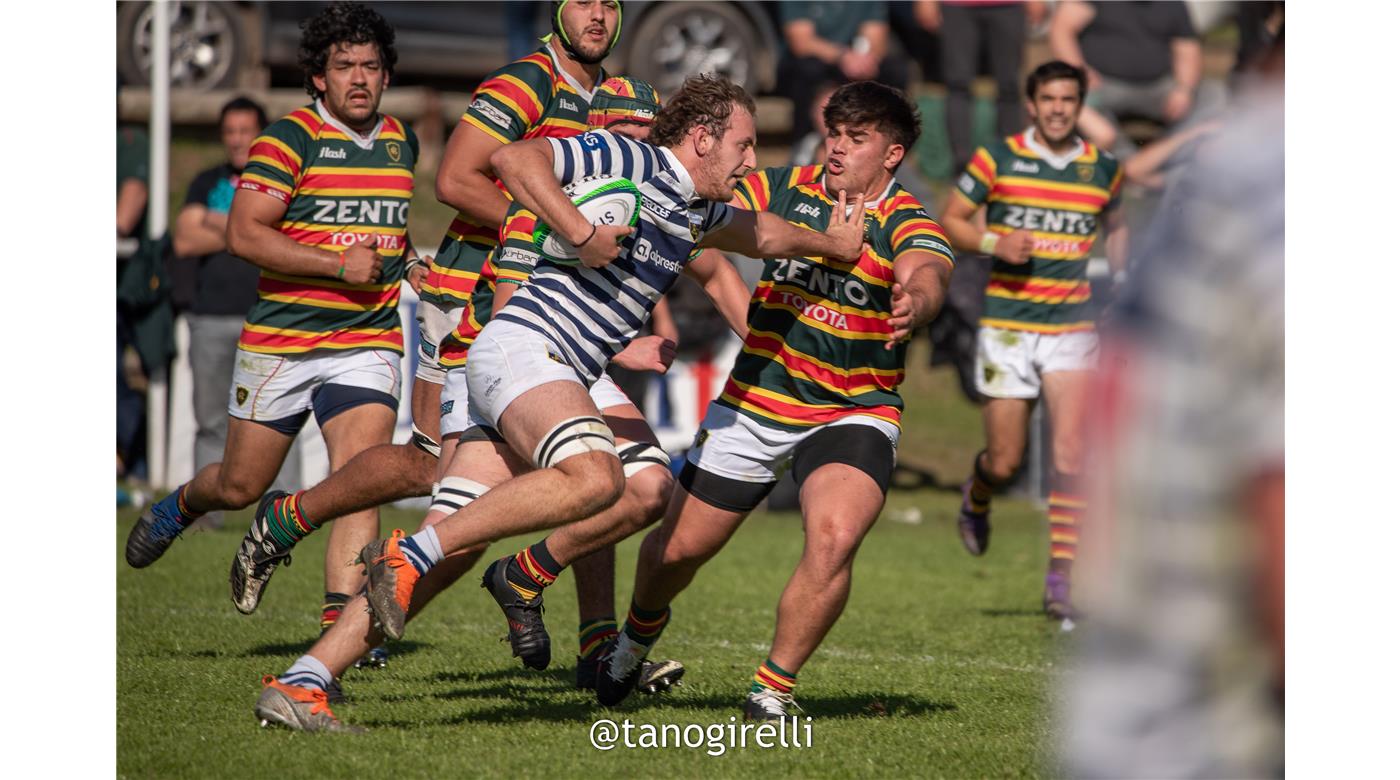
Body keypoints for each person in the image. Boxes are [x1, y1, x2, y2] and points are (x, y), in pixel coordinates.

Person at [252, 74, 865, 732]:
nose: (751, 161)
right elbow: (513, 159)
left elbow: (763, 235)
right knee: (597, 476)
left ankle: (304, 681)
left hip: (543, 368)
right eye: (743, 145)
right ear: (702, 137)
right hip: (524, 350)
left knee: (456, 546)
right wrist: (577, 229)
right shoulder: (631, 157)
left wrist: (835, 244)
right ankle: (413, 557)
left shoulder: (698, 210)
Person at [225, 0, 623, 631]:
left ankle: (594, 638)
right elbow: (457, 181)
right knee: (435, 469)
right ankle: (302, 537)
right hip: (470, 297)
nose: (596, 15)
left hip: (547, 297)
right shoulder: (528, 82)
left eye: (609, 2)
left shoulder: (616, 97)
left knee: (591, 454)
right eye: (582, 1)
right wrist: (565, 229)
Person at [596, 81, 952, 720]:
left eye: (857, 139)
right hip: (759, 401)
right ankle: (631, 641)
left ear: (892, 155)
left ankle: (771, 690)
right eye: (834, 133)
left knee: (836, 535)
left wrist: (915, 301)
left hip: (854, 407)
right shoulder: (782, 188)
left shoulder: (908, 219)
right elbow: (702, 223)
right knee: (677, 552)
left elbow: (927, 269)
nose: (837, 148)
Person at [124, 3, 423, 632]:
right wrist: (337, 265)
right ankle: (180, 504)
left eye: (371, 66)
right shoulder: (287, 140)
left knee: (359, 477)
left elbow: (385, 232)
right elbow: (243, 233)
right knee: (239, 487)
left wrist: (408, 265)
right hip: (282, 343)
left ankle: (337, 634)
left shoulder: (400, 140)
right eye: (344, 67)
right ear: (319, 76)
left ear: (387, 76)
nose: (359, 78)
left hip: (368, 339)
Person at [1064, 35, 1283, 772]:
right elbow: (1279, 483)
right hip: (1214, 709)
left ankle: (1064, 582)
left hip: (1146, 694)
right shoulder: (1263, 180)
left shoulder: (1234, 168)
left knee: (1073, 456)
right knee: (1035, 457)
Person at [939, 60, 1127, 623]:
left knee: (1071, 454)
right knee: (1006, 459)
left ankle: (1060, 579)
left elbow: (1116, 223)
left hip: (1071, 329)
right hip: (1007, 329)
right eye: (1048, 99)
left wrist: (1118, 278)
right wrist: (996, 240)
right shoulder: (997, 159)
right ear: (1032, 104)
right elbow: (952, 219)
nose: (1058, 108)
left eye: (1068, 99)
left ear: (1079, 103)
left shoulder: (1103, 169)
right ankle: (978, 495)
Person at [172, 97, 302, 521]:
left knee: (283, 419)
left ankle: (283, 519)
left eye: (246, 130)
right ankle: (205, 518)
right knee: (211, 420)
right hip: (210, 318)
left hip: (272, 319)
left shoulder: (285, 179)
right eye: (230, 131)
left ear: (264, 134)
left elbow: (289, 237)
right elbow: (184, 240)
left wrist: (217, 221)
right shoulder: (206, 180)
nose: (237, 140)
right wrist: (249, 229)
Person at [1048, 1, 1201, 155]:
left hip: (1158, 87)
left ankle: (1172, 159)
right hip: (1102, 85)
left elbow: (1187, 51)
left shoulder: (1173, 4)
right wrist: (1079, 71)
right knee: (1075, 99)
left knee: (1212, 97)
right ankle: (1126, 163)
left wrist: (1184, 90)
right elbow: (1061, 30)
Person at [913, 1, 1045, 171]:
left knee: (1009, 86)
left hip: (1009, 6)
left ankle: (1011, 161)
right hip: (957, 6)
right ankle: (961, 166)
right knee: (957, 85)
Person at [778, 2, 908, 156]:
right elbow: (801, 41)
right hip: (816, 62)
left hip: (854, 59)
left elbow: (876, 37)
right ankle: (804, 142)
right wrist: (843, 56)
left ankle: (885, 140)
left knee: (895, 71)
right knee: (808, 70)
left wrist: (864, 59)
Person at [117, 124, 150, 479]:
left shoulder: (128, 143)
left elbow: (122, 220)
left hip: (124, 287)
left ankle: (133, 468)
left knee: (116, 382)